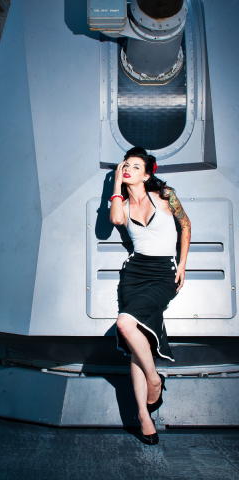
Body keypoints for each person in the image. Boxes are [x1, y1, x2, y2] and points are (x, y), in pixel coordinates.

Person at [109, 147, 191, 445]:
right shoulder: (119, 202)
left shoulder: (166, 195)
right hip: (133, 274)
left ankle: (155, 380)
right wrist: (117, 184)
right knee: (134, 345)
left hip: (162, 274)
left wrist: (181, 264)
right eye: (125, 165)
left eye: (135, 166)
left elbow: (185, 225)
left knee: (125, 324)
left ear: (147, 173)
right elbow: (117, 221)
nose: (128, 169)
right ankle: (145, 416)